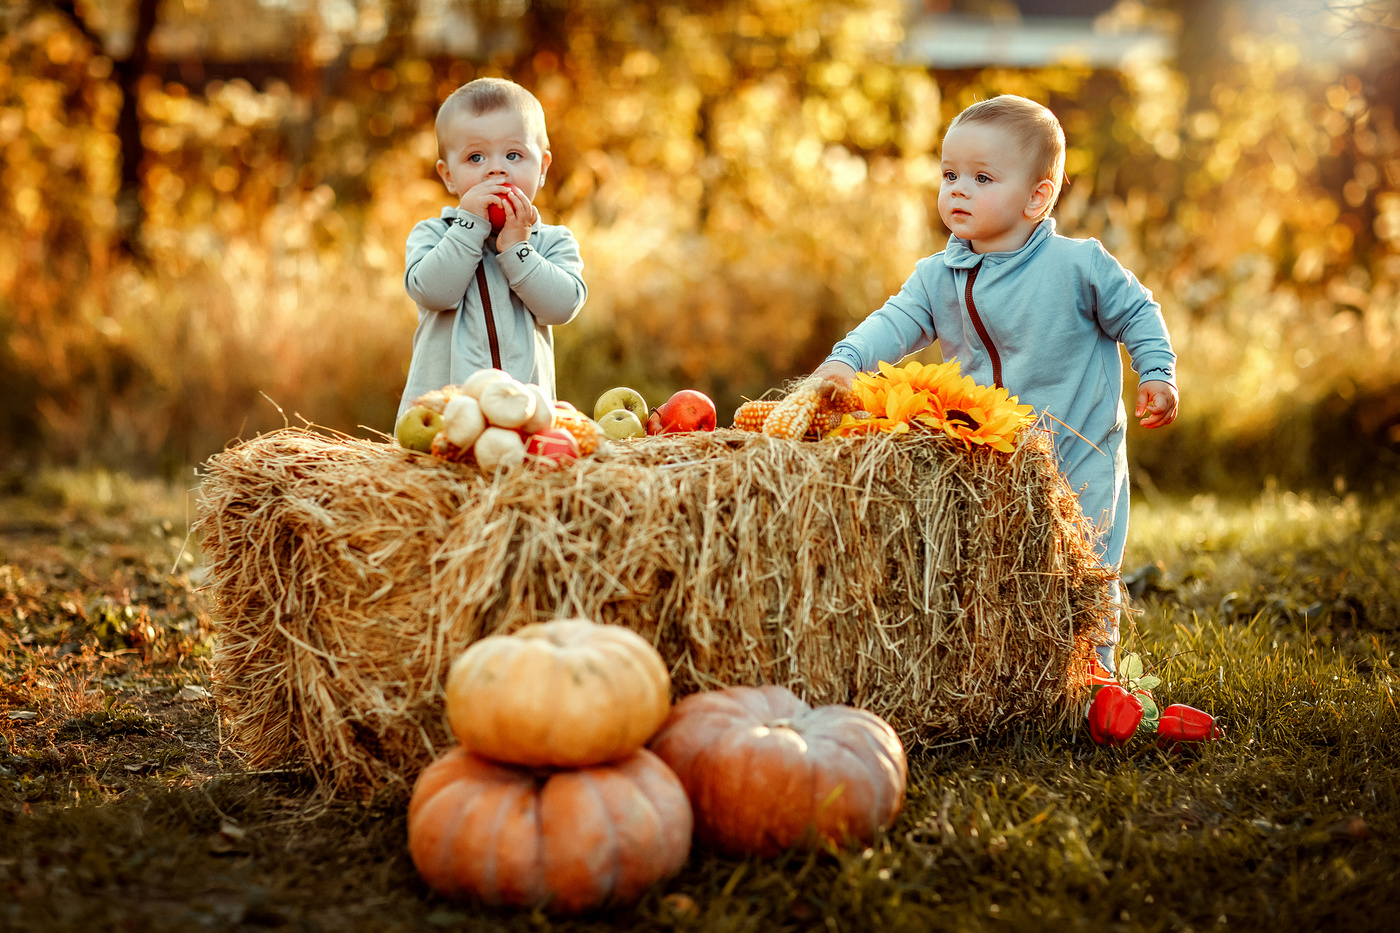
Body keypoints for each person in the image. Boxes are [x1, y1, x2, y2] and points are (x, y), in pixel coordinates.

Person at [812, 94, 1179, 670]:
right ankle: (1002, 670)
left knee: (1086, 562)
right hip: (990, 451)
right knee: (997, 568)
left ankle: (1093, 670)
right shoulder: (938, 276)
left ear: (1037, 197)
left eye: (982, 178)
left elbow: (1138, 312)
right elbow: (895, 322)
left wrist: (1156, 371)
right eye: (950, 175)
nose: (958, 190)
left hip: (1079, 444)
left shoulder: (1078, 265)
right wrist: (847, 359)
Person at [397, 77, 586, 420]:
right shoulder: (433, 234)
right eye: (475, 157)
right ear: (448, 176)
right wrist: (469, 227)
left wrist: (517, 248)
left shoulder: (551, 241)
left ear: (542, 168)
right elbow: (433, 293)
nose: (496, 169)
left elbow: (562, 307)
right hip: (443, 420)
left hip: (522, 421)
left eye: (514, 154)